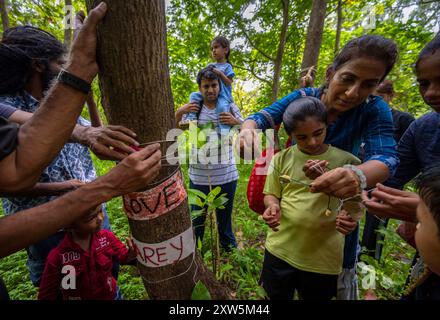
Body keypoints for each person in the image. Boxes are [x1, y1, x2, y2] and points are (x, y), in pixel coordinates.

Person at [0, 2, 161, 297]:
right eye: (62, 64)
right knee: (67, 288)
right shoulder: (7, 103)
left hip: (93, 206)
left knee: (104, 271)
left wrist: (95, 128)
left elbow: (87, 128)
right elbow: (34, 128)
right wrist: (71, 185)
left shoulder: (66, 100)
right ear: (37, 64)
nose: (65, 71)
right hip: (45, 225)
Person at [240, 35, 400, 300]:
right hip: (289, 231)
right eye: (348, 79)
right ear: (330, 73)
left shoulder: (372, 109)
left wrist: (356, 175)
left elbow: (386, 158)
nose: (353, 93)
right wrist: (247, 131)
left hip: (334, 229)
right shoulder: (302, 98)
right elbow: (263, 117)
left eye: (368, 85)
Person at [362, 33, 440, 300]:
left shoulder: (405, 119)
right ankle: (367, 283)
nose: (431, 92)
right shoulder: (425, 128)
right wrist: (358, 181)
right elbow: (391, 172)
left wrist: (424, 210)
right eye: (424, 83)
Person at [261, 97, 360, 300]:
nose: (312, 142)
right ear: (291, 135)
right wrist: (272, 207)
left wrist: (349, 217)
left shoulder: (347, 162)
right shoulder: (282, 158)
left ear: (326, 125)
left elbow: (356, 203)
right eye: (302, 137)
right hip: (279, 250)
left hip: (322, 259)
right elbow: (271, 193)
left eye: (318, 133)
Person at [175, 67, 243, 251]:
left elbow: (249, 127)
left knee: (224, 223)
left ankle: (230, 255)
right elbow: (174, 127)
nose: (210, 89)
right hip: (199, 176)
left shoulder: (228, 105)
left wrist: (235, 122)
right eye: (206, 86)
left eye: (214, 85)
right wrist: (180, 111)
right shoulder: (194, 108)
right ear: (199, 87)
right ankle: (195, 256)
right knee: (197, 222)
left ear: (219, 86)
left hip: (226, 175)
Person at [361, 80, 415, 261]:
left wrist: (396, 180)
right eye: (372, 97)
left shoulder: (403, 120)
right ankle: (351, 259)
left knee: (375, 228)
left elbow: (409, 156)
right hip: (362, 177)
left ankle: (369, 266)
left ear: (391, 97)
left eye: (381, 97)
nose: (376, 102)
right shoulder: (365, 117)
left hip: (387, 183)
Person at [38, 205, 135, 300]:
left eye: (100, 211)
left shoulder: (106, 237)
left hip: (112, 296)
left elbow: (123, 256)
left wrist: (131, 253)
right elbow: (46, 294)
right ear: (69, 225)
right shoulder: (57, 257)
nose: (101, 218)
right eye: (91, 218)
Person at [182, 36, 235, 135]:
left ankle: (224, 133)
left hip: (223, 95)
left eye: (216, 47)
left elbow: (229, 82)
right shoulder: (211, 65)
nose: (213, 51)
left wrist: (220, 74)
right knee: (193, 95)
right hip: (210, 95)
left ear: (226, 50)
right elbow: (203, 77)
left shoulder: (227, 67)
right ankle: (192, 118)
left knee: (222, 108)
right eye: (212, 49)